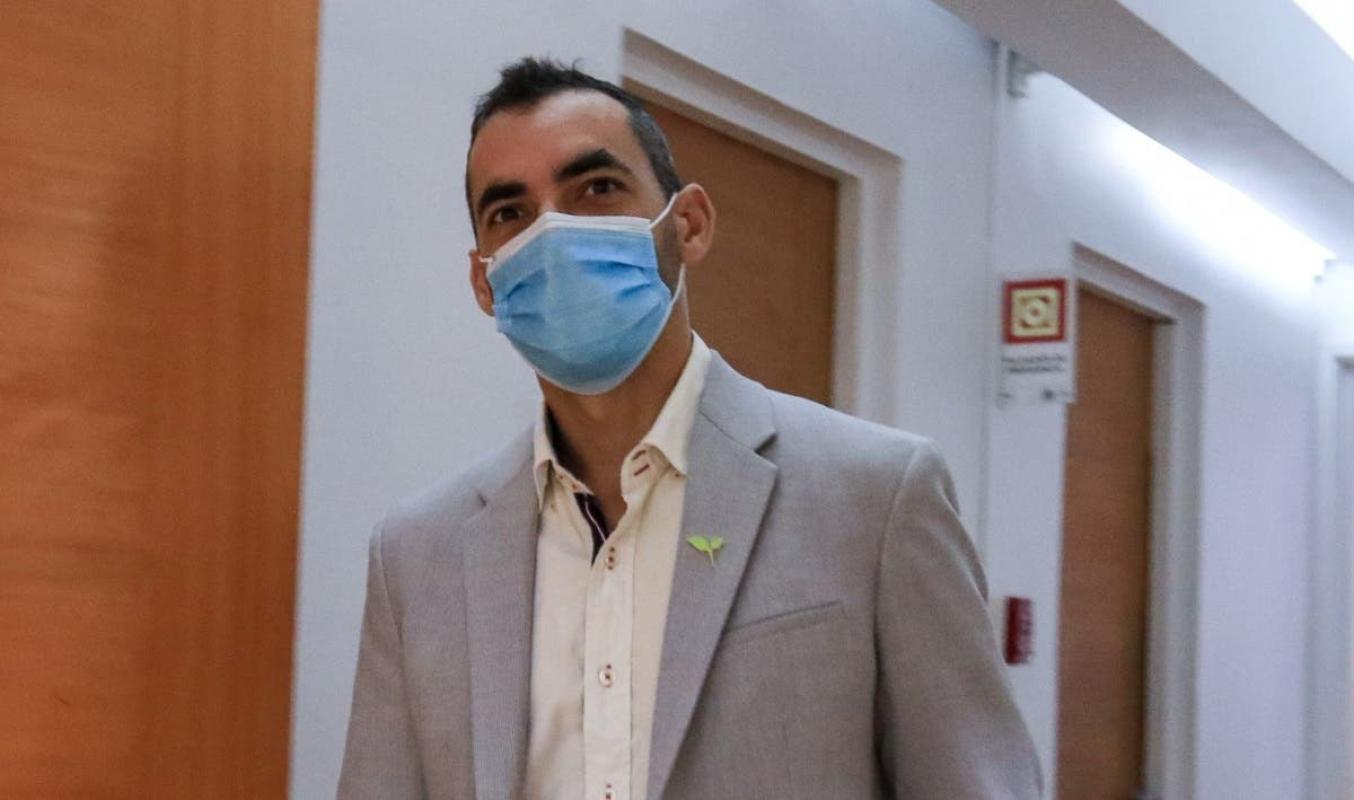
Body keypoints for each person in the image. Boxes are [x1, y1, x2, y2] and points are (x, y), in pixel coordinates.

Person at [339, 57, 1041, 800]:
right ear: (485, 281)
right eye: (511, 213)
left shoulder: (876, 500)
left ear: (689, 225)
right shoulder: (418, 556)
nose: (553, 233)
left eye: (596, 189)